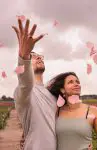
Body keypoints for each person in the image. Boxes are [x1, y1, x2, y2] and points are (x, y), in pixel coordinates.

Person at [13, 18, 57, 150]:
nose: (38, 57)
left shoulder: (53, 94)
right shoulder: (23, 92)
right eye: (33, 56)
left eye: (40, 56)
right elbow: (25, 81)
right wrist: (24, 54)